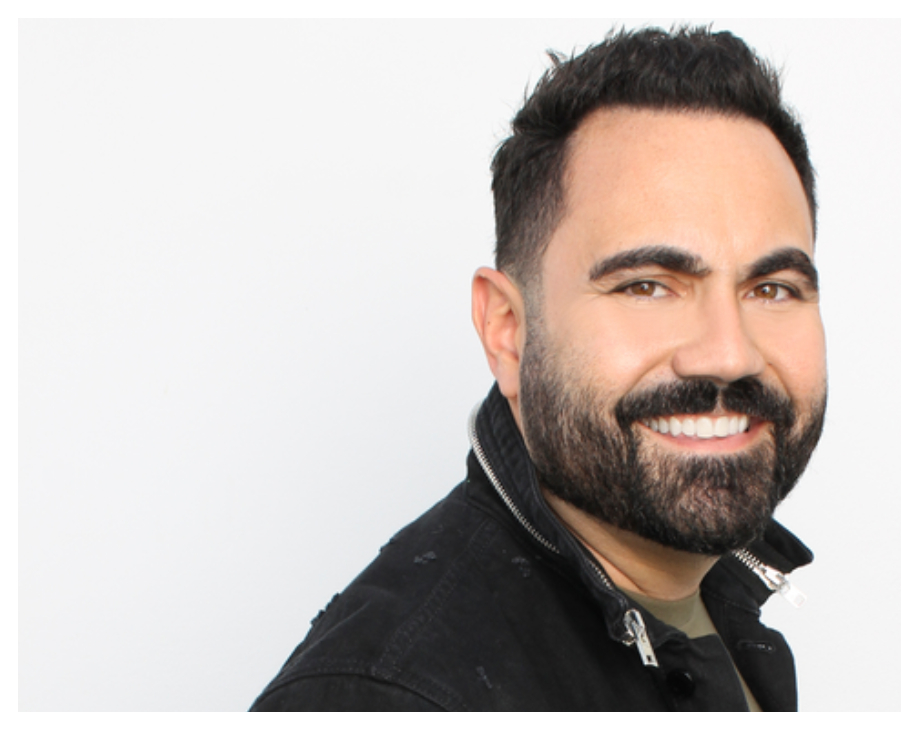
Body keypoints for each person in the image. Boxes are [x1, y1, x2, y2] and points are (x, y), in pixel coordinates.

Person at [250, 25, 827, 712]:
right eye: (646, 285)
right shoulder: (386, 701)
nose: (729, 353)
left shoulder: (710, 597)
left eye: (772, 289)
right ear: (507, 332)